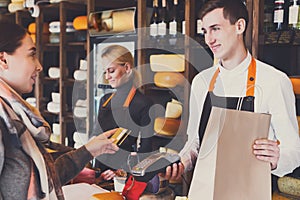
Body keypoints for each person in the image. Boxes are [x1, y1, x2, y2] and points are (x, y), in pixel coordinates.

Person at [163, 0, 300, 196]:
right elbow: (195, 143)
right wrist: (181, 163)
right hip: (203, 194)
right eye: (205, 31)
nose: (209, 39)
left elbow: (294, 151)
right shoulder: (202, 82)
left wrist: (277, 159)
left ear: (240, 26)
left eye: (215, 29)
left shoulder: (274, 81)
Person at [0, 21, 119, 199]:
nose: (39, 66)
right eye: (31, 55)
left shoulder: (15, 117)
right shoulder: (4, 121)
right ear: (3, 60)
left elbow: (45, 179)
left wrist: (89, 150)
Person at [93, 45, 154, 181]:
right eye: (105, 72)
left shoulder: (144, 103)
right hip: (99, 171)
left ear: (127, 68)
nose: (107, 77)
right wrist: (91, 172)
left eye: (112, 71)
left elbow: (145, 149)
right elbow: (96, 137)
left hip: (123, 174)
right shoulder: (104, 100)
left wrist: (122, 172)